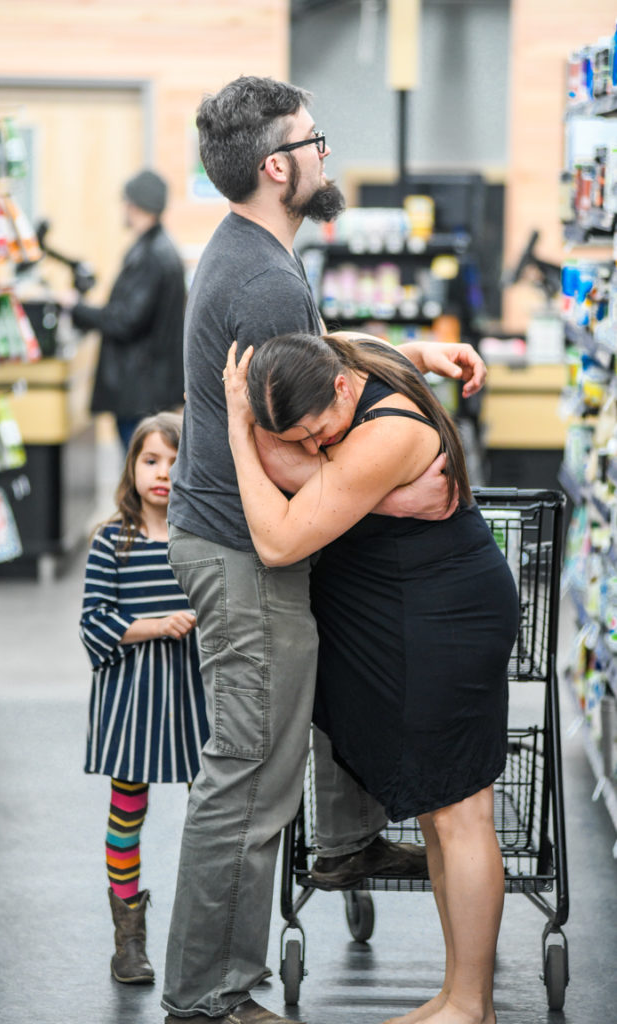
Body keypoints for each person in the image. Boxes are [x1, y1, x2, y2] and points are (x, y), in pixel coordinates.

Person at [162, 75, 489, 1024]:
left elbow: (301, 354)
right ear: (277, 166)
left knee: (272, 751)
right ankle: (211, 996)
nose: (325, 152)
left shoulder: (253, 256)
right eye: (314, 139)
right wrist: (385, 489)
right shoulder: (263, 275)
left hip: (225, 541)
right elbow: (281, 444)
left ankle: (343, 846)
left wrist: (403, 355)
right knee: (250, 782)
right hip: (240, 551)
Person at [222, 332, 519, 1024]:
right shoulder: (351, 359)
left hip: (443, 616)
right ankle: (453, 995)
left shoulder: (386, 434)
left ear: (343, 390)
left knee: (461, 812)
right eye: (293, 437)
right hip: (411, 613)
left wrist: (241, 430)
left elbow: (278, 539)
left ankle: (471, 1006)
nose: (312, 445)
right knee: (439, 812)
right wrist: (435, 351)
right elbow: (365, 343)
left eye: (317, 432)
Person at [79, 412, 209, 985]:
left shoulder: (201, 539)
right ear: (131, 467)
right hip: (134, 698)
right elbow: (93, 622)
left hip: (193, 696)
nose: (164, 474)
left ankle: (207, 935)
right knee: (127, 809)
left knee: (210, 812)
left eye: (177, 463)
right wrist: (156, 624)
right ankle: (128, 941)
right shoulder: (113, 540)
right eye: (151, 461)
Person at [60, 169, 186, 452]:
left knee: (142, 470)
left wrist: (75, 308)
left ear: (137, 205)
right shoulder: (158, 248)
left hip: (140, 392)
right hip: (150, 388)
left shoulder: (152, 256)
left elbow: (126, 320)